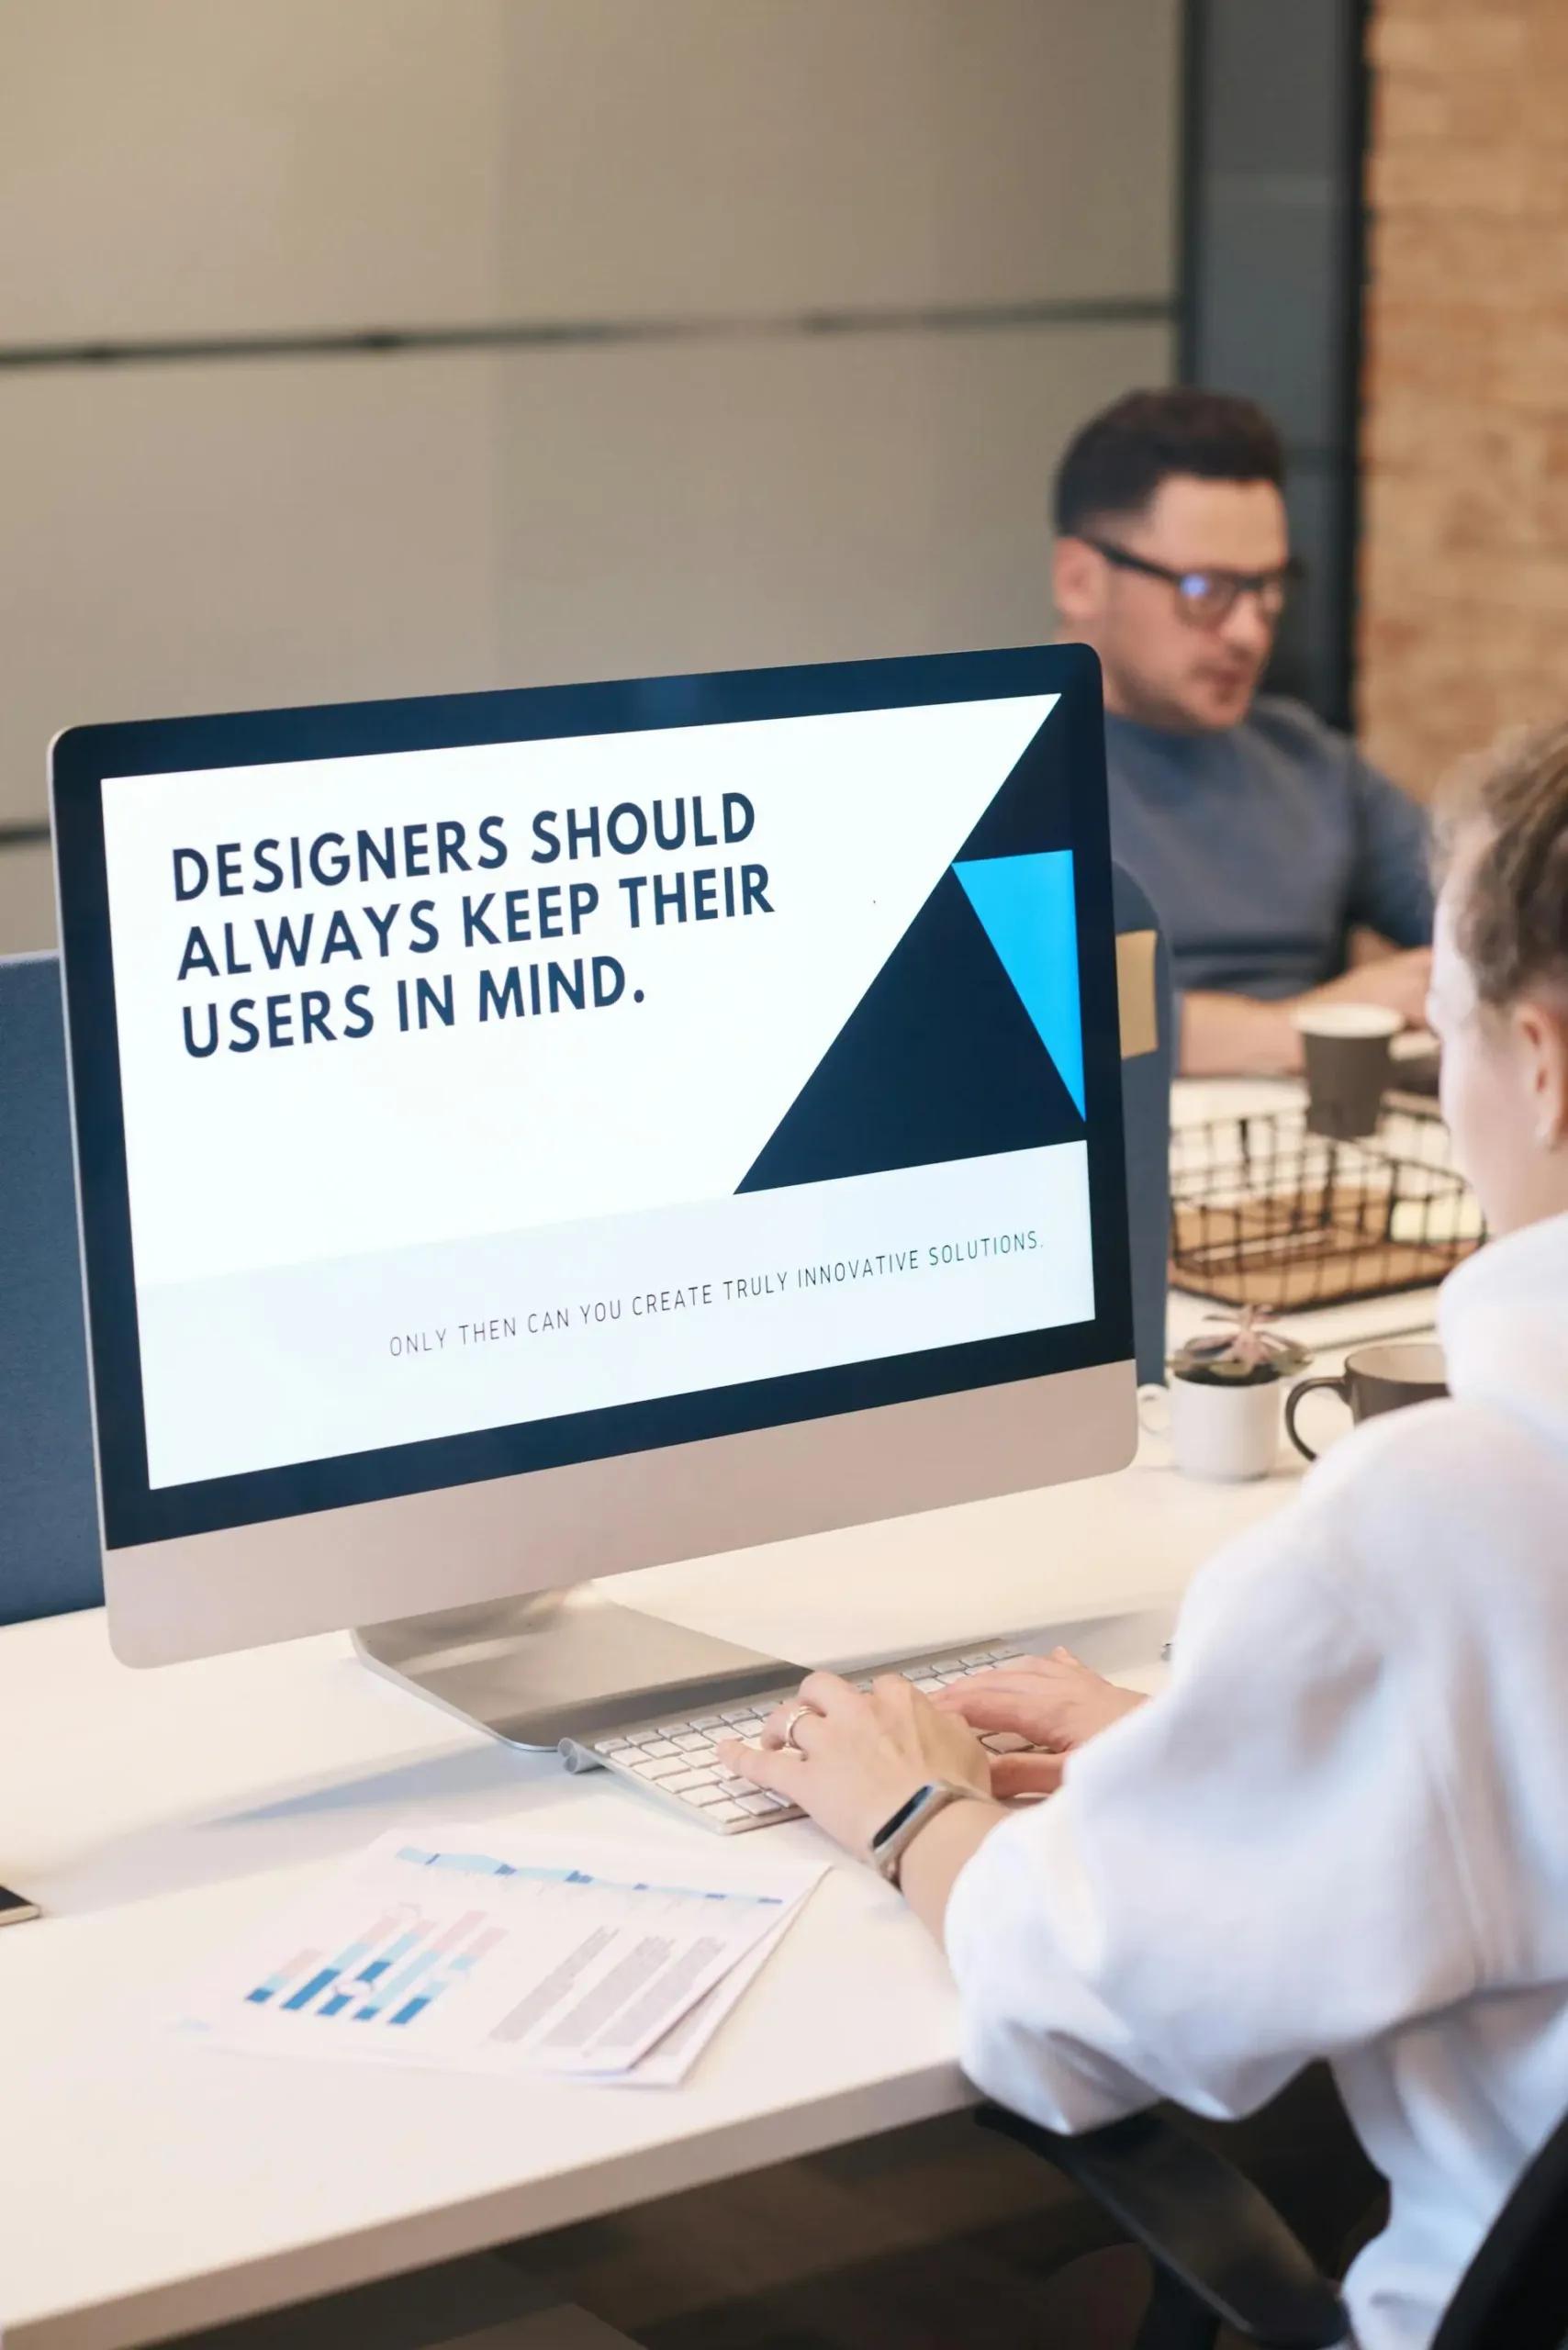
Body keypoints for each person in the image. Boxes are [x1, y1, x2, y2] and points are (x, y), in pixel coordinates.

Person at [721, 721, 1568, 2350]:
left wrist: (910, 1811)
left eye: (1443, 1028)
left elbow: (1084, 2017)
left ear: (1538, 1060)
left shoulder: (1442, 1523)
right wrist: (1246, 1746)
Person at [1052, 387, 1433, 1076]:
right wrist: (1315, 1026)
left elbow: (1497, 923)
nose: (1250, 631)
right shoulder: (1006, 776)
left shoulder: (1310, 763)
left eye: (1268, 587)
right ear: (1080, 580)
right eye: (1205, 591)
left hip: (1319, 1153)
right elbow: (1048, 1018)